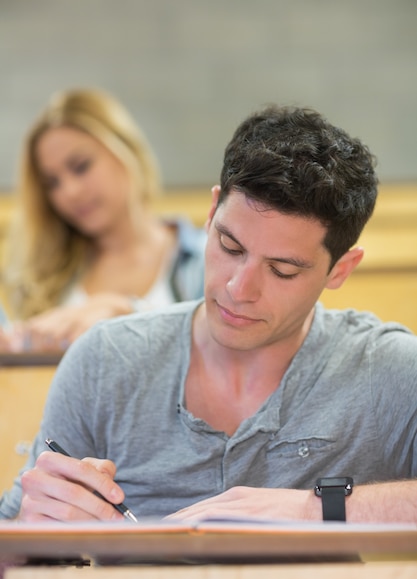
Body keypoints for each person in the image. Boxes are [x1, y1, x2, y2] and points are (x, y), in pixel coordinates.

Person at [1, 104, 416, 524]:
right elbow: (9, 552)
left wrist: (315, 508)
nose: (238, 289)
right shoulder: (104, 362)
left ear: (340, 269)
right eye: (230, 247)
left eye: (282, 270)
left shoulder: (383, 369)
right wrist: (28, 536)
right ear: (212, 211)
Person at [0, 88, 206, 352]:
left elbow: (224, 355)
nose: (70, 192)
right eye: (52, 183)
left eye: (81, 166)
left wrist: (126, 310)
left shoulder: (206, 259)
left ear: (124, 149)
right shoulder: (42, 278)